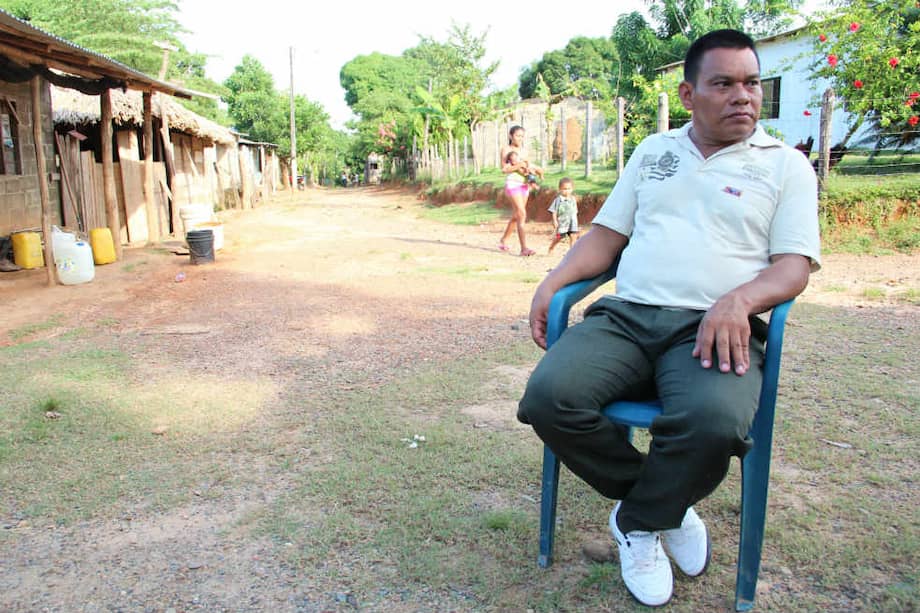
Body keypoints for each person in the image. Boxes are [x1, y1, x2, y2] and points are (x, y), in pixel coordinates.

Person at [516, 29, 821, 607]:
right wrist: (553, 282)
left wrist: (738, 300)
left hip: (713, 327)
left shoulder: (785, 167)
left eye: (752, 83)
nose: (744, 97)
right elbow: (607, 237)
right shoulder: (653, 152)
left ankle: (635, 520)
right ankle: (664, 508)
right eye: (724, 84)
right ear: (688, 94)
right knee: (548, 397)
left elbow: (793, 267)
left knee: (714, 421)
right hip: (628, 317)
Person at [498, 125, 543, 256]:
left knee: (517, 215)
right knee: (522, 214)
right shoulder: (506, 150)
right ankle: (524, 248)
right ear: (511, 136)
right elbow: (504, 169)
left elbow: (528, 166)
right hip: (513, 185)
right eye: (518, 135)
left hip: (524, 185)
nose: (520, 138)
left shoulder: (524, 151)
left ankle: (504, 240)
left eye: (522, 136)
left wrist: (535, 170)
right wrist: (520, 165)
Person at [547, 177, 579, 254]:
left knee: (573, 236)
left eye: (569, 189)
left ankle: (572, 253)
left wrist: (575, 221)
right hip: (562, 223)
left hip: (572, 222)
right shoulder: (558, 200)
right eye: (564, 189)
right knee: (559, 236)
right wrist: (554, 221)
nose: (567, 191)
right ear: (560, 189)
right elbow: (554, 211)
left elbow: (574, 211)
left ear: (572, 189)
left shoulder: (573, 199)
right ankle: (552, 246)